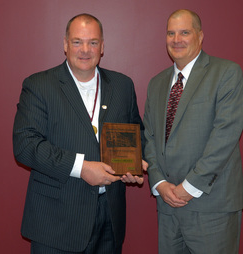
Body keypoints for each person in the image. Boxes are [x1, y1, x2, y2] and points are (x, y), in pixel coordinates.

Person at [13, 13, 147, 254]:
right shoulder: (39, 85)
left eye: (93, 42)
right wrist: (82, 167)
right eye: (77, 42)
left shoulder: (122, 85)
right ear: (65, 45)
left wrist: (134, 164)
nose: (85, 49)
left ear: (102, 46)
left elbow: (137, 134)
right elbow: (25, 145)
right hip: (56, 222)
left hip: (110, 220)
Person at [143, 9, 243, 254]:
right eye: (171, 33)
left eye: (184, 32)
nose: (176, 39)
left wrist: (188, 188)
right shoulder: (156, 83)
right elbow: (149, 137)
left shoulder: (226, 73)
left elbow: (225, 137)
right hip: (168, 207)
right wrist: (159, 183)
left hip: (212, 209)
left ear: (200, 36)